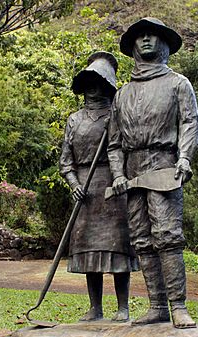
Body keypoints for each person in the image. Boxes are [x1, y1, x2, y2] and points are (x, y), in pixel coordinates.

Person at [107, 18, 198, 329]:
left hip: (164, 166)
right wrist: (118, 174)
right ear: (133, 46)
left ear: (164, 44)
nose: (145, 39)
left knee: (168, 237)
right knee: (143, 241)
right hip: (132, 172)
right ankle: (157, 305)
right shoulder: (122, 95)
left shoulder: (178, 84)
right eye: (140, 36)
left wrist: (184, 157)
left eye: (152, 35)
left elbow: (189, 123)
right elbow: (115, 142)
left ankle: (179, 306)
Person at [59, 51, 139, 322]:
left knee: (117, 249)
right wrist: (74, 184)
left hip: (113, 189)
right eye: (89, 84)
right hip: (85, 192)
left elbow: (128, 152)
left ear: (108, 86)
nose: (94, 89)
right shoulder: (74, 120)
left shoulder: (117, 117)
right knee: (89, 251)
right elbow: (65, 162)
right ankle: (95, 307)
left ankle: (123, 307)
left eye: (99, 84)